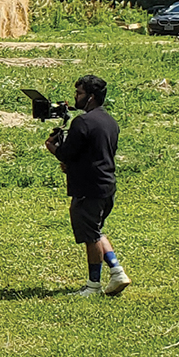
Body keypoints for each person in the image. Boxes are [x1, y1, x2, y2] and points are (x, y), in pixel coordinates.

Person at [46, 75, 130, 296]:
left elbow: (66, 153)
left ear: (91, 97)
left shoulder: (82, 122)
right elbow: (95, 154)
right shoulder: (110, 121)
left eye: (79, 94)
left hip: (87, 188)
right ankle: (117, 271)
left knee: (90, 236)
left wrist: (52, 147)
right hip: (107, 185)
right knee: (96, 230)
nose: (76, 97)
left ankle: (93, 285)